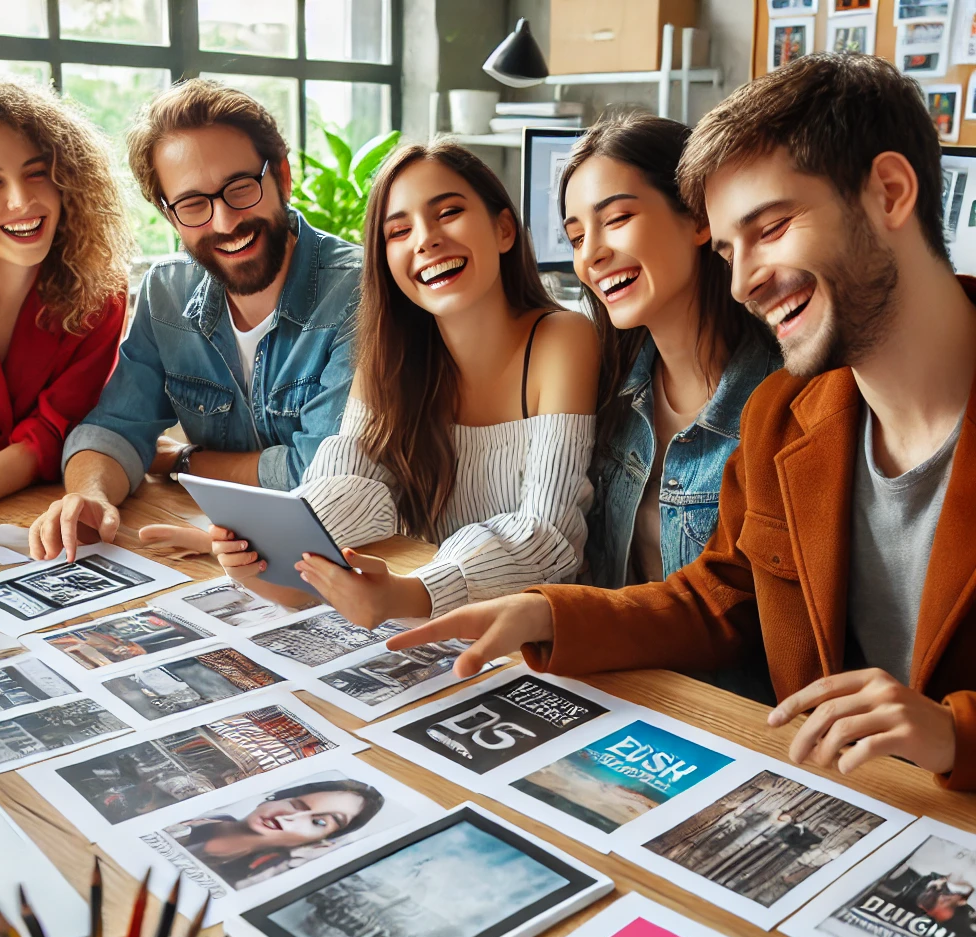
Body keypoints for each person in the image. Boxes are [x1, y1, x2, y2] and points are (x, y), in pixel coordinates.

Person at [389, 53, 976, 791]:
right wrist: (550, 613)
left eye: (771, 228)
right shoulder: (785, 416)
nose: (743, 281)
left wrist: (956, 731)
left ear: (889, 192)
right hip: (841, 801)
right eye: (729, 248)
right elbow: (714, 597)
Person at [206, 140, 600, 628]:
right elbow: (349, 488)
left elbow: (549, 539)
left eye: (449, 212)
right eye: (399, 231)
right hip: (436, 630)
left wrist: (413, 594)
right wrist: (273, 549)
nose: (425, 240)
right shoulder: (388, 357)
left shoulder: (563, 339)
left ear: (503, 229)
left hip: (544, 643)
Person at [28, 78, 361, 562]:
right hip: (224, 557)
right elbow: (116, 427)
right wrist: (92, 495)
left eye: (240, 188)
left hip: (349, 558)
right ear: (169, 214)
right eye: (193, 204)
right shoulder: (167, 292)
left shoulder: (356, 291)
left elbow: (317, 473)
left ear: (282, 177)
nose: (225, 223)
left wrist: (185, 460)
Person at [564, 113, 779, 592]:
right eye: (577, 237)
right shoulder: (609, 392)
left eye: (617, 219)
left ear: (699, 219)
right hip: (619, 665)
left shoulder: (784, 403)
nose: (590, 256)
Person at [0, 81, 129, 516]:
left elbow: (49, 435)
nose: (22, 199)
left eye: (36, 172)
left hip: (24, 521)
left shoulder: (101, 296)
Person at [166, 779, 383, 889]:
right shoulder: (185, 817)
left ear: (320, 842)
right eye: (295, 804)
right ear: (273, 798)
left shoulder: (257, 879)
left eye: (318, 822)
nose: (288, 818)